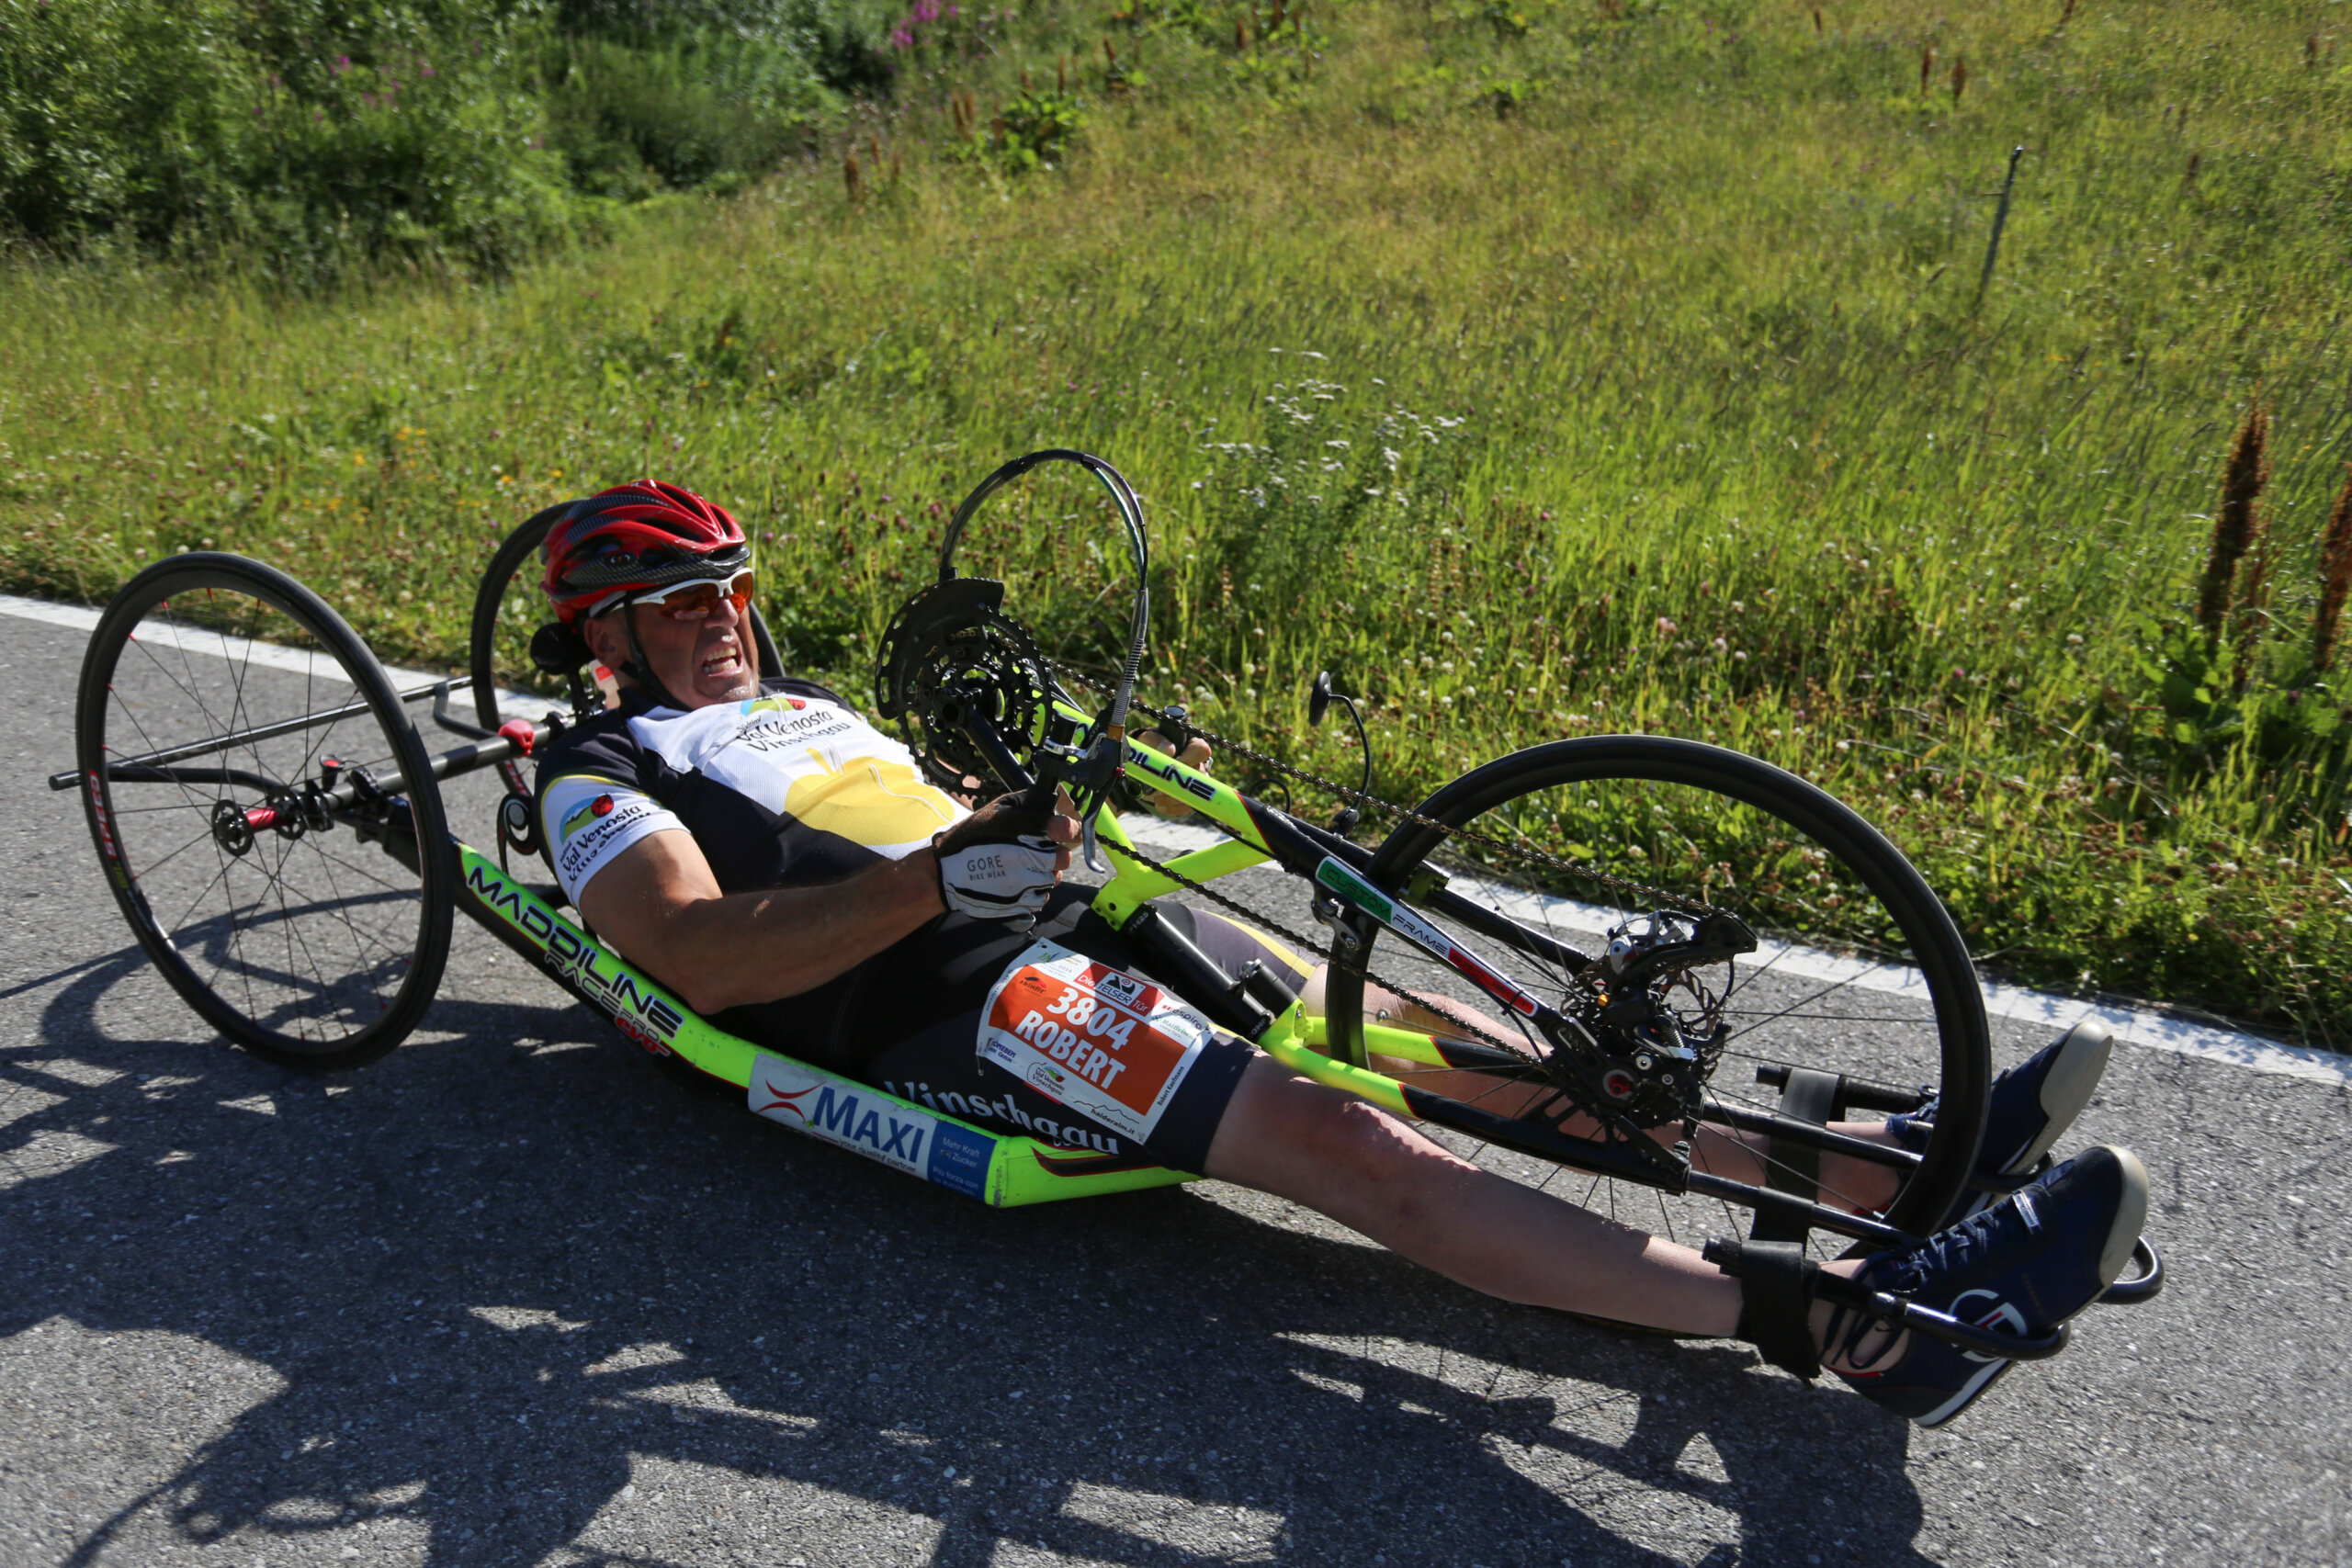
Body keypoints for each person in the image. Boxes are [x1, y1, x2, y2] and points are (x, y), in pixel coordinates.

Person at [529, 480, 2149, 1427]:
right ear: (600, 639)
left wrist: (1042, 815)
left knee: (1442, 1046)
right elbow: (693, 958)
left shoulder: (800, 707)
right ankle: (1844, 1325)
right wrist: (945, 881)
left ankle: (1875, 1171)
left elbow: (954, 821)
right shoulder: (599, 773)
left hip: (1060, 919)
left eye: (727, 586)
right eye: (675, 603)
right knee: (1345, 1141)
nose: (719, 615)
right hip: (958, 1000)